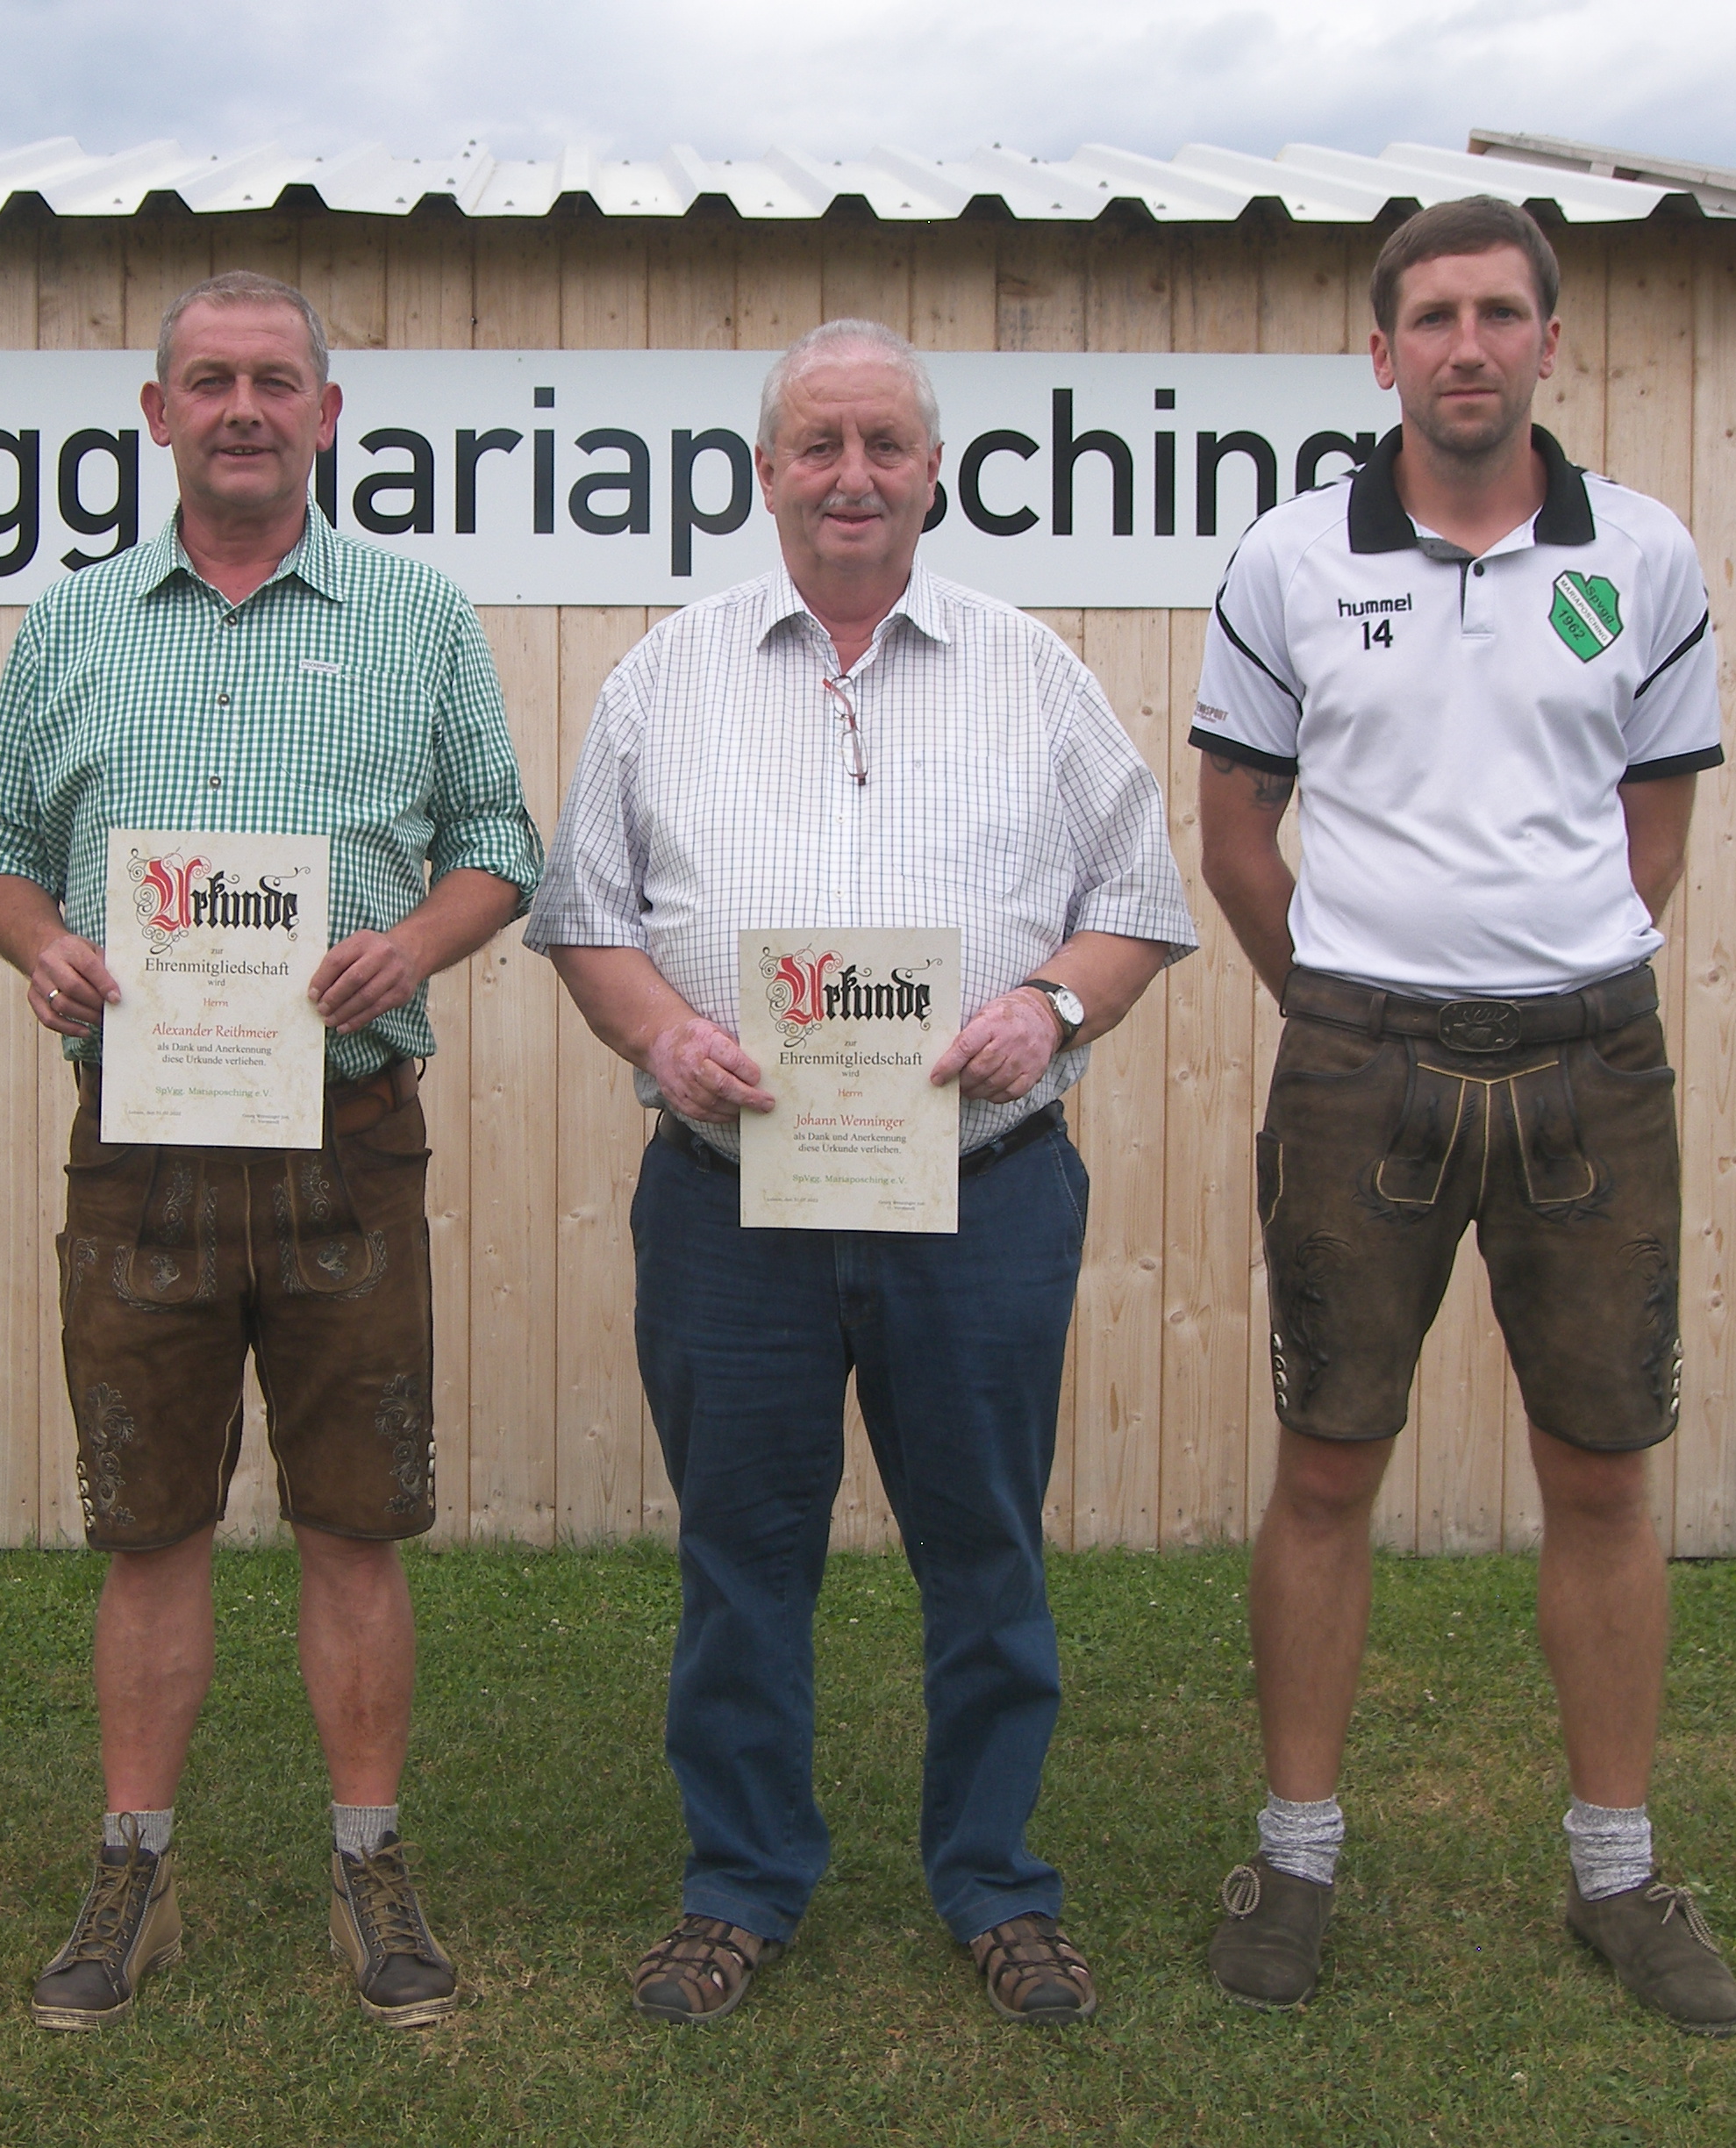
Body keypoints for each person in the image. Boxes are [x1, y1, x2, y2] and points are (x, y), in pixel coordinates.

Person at [528, 319, 1195, 2028]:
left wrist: (1048, 1010)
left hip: (980, 1194)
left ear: (933, 473)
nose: (852, 475)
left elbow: (1137, 905)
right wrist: (660, 1036)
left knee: (986, 1553)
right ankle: (741, 1883)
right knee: (742, 1559)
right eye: (819, 444)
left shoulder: (1028, 668)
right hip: (728, 1202)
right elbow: (589, 922)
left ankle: (996, 1882)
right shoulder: (661, 677)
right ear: (764, 476)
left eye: (884, 443)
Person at [0, 271, 542, 2031]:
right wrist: (36, 940)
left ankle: (371, 1861)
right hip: (144, 1145)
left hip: (348, 1135)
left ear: (328, 415)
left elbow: (501, 840)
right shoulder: (72, 628)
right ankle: (136, 1867)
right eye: (208, 380)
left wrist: (416, 946)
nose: (243, 408)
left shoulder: (417, 617)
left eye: (276, 381)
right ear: (156, 415)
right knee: (151, 1525)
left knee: (357, 1523)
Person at [1190, 196, 1736, 2034]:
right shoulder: (1285, 559)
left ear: (1551, 345)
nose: (1468, 345)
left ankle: (1616, 1872)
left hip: (1595, 1056)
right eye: (1433, 315)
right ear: (1383, 353)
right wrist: (1342, 1008)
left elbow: (1648, 842)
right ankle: (1295, 1849)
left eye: (1502, 313)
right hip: (1359, 1061)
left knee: (1599, 1466)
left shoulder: (1646, 556)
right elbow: (1236, 837)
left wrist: (1546, 964)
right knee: (1330, 1459)